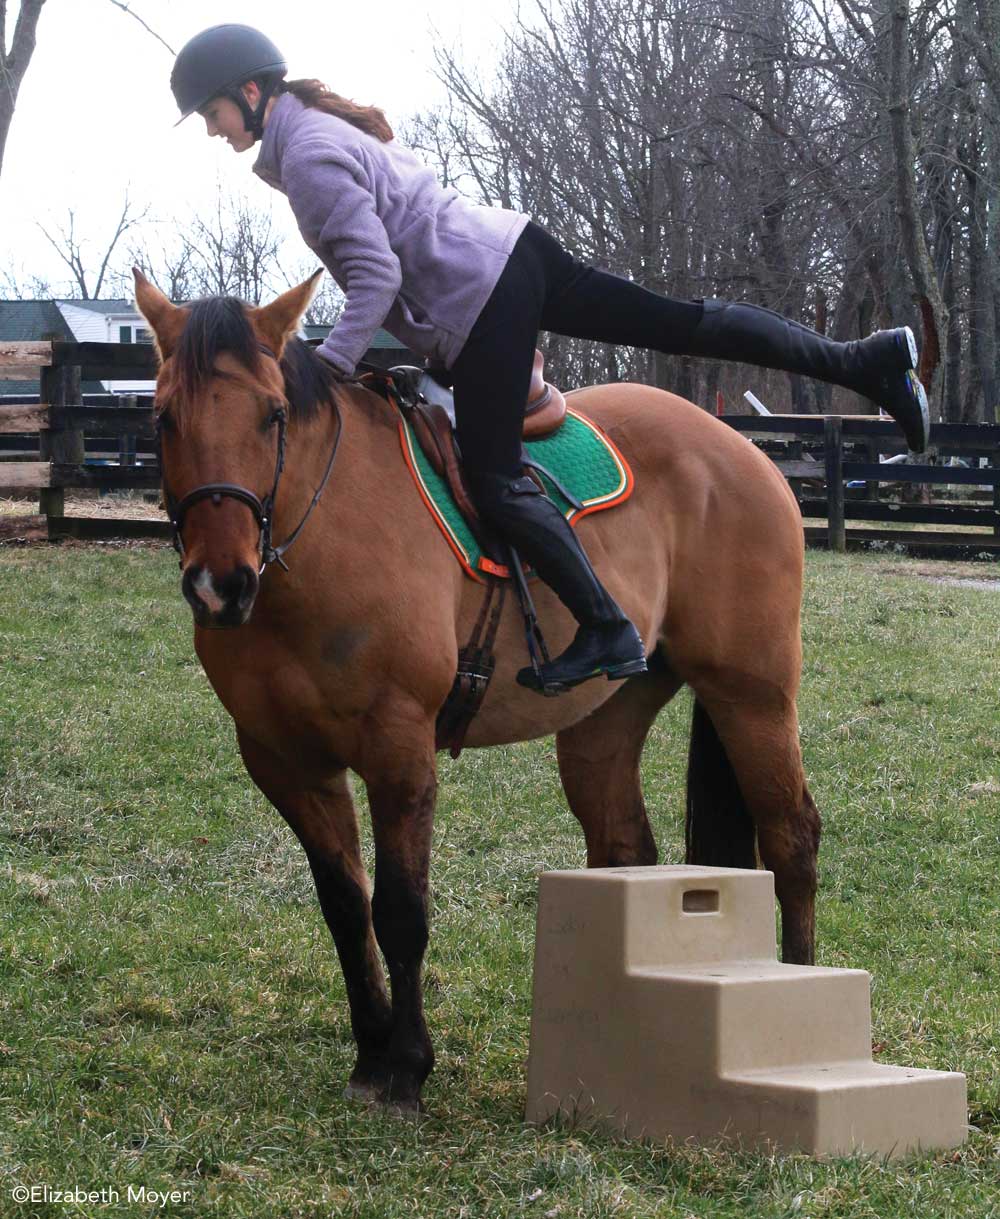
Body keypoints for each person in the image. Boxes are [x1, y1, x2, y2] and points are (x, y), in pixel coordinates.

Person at [169, 24, 930, 696]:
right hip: (511, 252)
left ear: (250, 92)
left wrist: (331, 366)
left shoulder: (306, 156)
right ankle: (866, 362)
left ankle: (605, 625)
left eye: (212, 113)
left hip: (484, 295)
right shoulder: (310, 136)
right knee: (684, 322)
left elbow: (377, 275)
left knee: (495, 478)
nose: (212, 130)